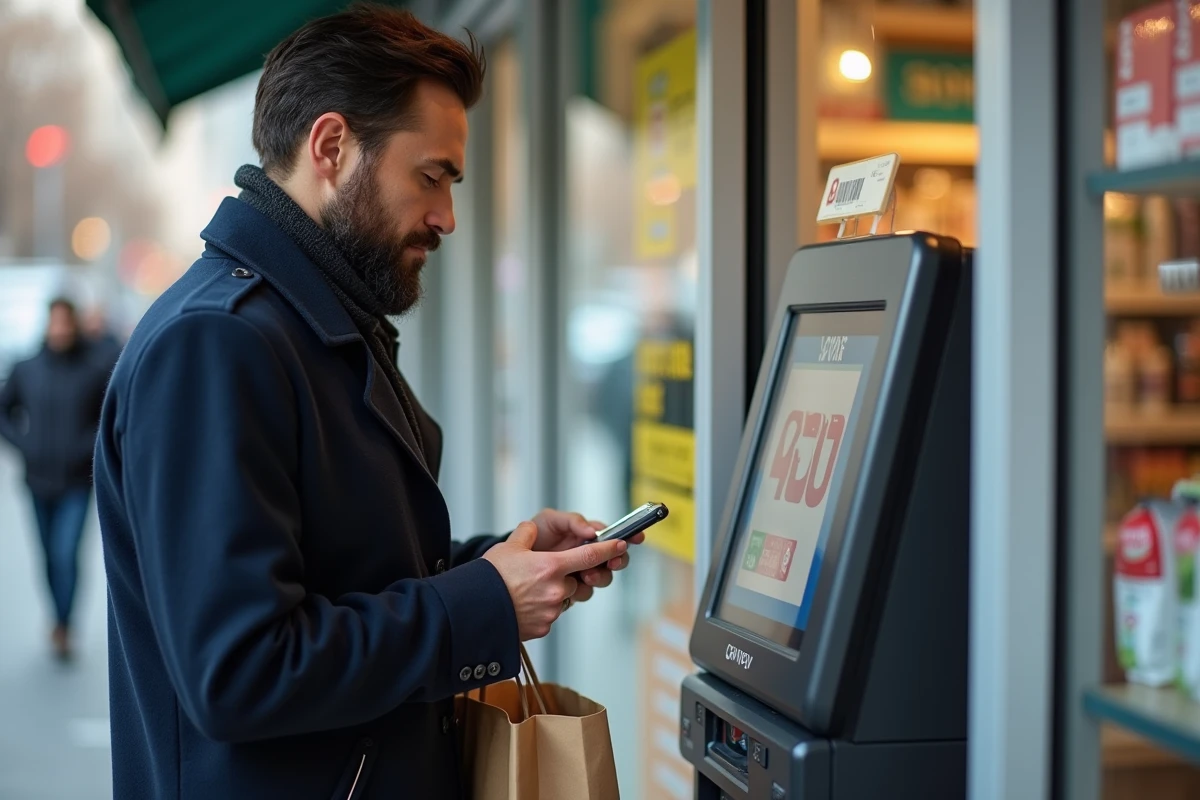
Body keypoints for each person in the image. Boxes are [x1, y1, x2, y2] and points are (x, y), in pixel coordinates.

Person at [93, 6, 641, 799]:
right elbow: (241, 671)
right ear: (331, 147)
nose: (447, 217)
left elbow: (339, 573)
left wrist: (500, 564)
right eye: (432, 176)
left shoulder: (308, 325)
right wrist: (483, 603)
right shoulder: (218, 344)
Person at [0, 297, 115, 660]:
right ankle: (57, 616)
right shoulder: (27, 368)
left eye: (67, 322)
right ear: (47, 324)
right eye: (55, 322)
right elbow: (5, 411)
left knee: (66, 553)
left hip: (77, 481)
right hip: (37, 479)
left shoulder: (93, 369)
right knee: (49, 556)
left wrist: (86, 447)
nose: (60, 329)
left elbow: (108, 417)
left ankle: (65, 625)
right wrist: (24, 444)